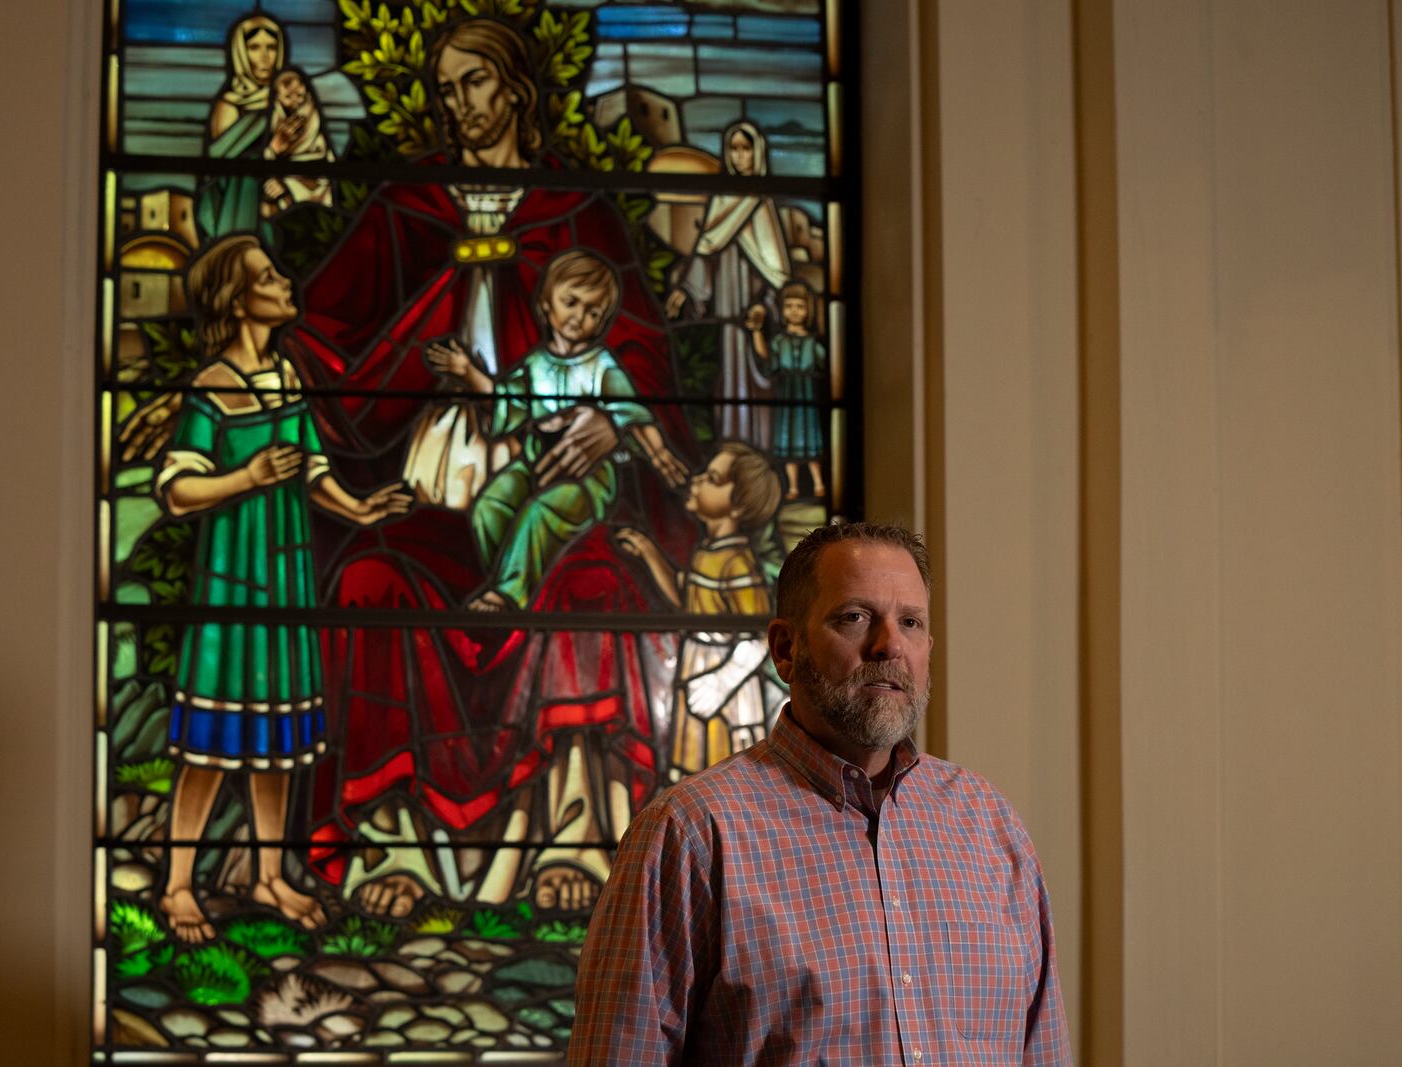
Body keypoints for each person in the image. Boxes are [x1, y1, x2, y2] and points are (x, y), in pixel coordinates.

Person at [285, 16, 696, 918]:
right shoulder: (408, 202)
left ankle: (577, 843)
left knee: (592, 587)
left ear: (513, 87)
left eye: (471, 81)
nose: (456, 102)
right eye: (444, 88)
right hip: (434, 476)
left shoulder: (575, 209)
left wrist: (610, 427)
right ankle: (390, 842)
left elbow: (643, 362)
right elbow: (326, 331)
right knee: (366, 581)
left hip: (553, 475)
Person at [568, 521, 1072, 1064]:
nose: (888, 645)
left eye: (910, 622)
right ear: (786, 649)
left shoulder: (989, 826)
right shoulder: (692, 833)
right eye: (854, 617)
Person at [154, 235, 410, 943]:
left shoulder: (288, 376)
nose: (285, 281)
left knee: (278, 738)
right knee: (209, 745)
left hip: (286, 572)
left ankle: (271, 875)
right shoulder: (214, 385)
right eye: (269, 276)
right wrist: (247, 477)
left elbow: (310, 468)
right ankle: (178, 885)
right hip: (233, 580)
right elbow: (175, 489)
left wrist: (359, 509)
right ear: (238, 301)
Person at [426, 249, 688, 611]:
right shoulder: (534, 364)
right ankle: (519, 582)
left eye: (593, 312)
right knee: (490, 505)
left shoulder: (602, 365)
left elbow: (631, 415)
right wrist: (469, 373)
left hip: (588, 478)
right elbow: (508, 404)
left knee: (540, 513)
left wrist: (660, 454)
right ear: (546, 305)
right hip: (535, 461)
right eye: (571, 302)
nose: (580, 317)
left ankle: (509, 596)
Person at [615, 442, 783, 777]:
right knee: (692, 767)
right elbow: (686, 598)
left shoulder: (737, 562)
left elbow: (757, 636)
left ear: (737, 506)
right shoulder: (708, 551)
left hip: (727, 685)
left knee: (726, 770)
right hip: (697, 666)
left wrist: (721, 683)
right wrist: (649, 551)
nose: (697, 480)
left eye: (713, 478)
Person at [665, 120, 793, 450]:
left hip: (754, 310)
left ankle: (759, 452)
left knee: (759, 378)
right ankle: (729, 449)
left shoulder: (762, 201)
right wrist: (685, 290)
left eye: (746, 149)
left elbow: (775, 270)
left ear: (757, 153)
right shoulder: (722, 199)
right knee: (727, 378)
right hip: (726, 305)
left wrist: (765, 306)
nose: (739, 156)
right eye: (734, 149)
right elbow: (706, 250)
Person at [196, 13, 287, 240]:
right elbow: (220, 171)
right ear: (240, 52)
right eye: (255, 47)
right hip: (233, 214)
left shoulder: (286, 102)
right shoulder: (230, 107)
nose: (265, 57)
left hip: (275, 208)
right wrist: (270, 155)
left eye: (272, 47)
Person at [746, 280, 827, 500]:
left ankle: (819, 483)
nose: (795, 311)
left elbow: (827, 364)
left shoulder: (812, 341)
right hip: (787, 395)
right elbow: (766, 357)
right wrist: (756, 333)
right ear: (782, 310)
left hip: (807, 395)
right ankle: (792, 487)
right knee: (789, 440)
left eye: (800, 306)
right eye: (789, 306)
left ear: (808, 310)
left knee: (810, 439)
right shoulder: (779, 341)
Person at [260, 67, 335, 219]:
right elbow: (260, 160)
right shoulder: (270, 122)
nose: (296, 100)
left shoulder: (317, 118)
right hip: (281, 185)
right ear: (277, 98)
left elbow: (328, 162)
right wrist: (274, 147)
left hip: (316, 186)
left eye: (299, 94)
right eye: (288, 96)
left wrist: (287, 184)